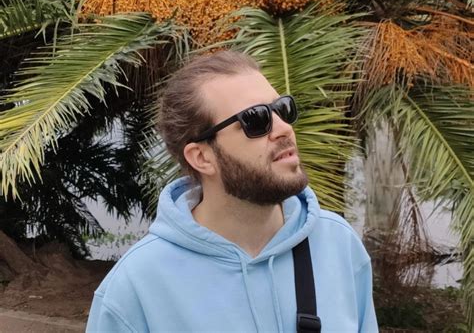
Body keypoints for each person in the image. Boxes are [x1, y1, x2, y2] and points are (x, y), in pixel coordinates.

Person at [86, 50, 378, 332]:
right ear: (202, 157)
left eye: (282, 110)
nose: (283, 129)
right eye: (256, 119)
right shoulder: (136, 287)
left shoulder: (338, 245)